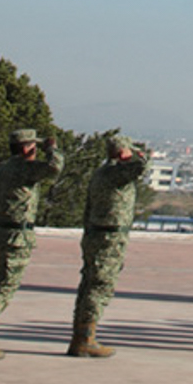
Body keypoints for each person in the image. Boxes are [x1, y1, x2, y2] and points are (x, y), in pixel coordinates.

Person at [0, 128, 65, 361]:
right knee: (3, 287)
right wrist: (53, 150)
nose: (37, 152)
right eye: (35, 148)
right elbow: (54, 168)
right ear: (26, 148)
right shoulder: (22, 168)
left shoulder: (2, 170)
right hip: (15, 236)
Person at [68, 134, 150, 357]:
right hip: (108, 237)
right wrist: (139, 157)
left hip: (96, 234)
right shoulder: (115, 173)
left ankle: (81, 336)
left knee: (90, 284)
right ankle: (85, 338)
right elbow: (140, 168)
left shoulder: (102, 172)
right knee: (100, 286)